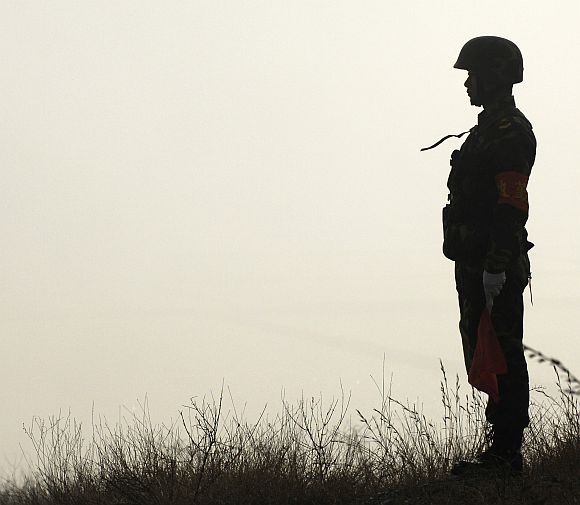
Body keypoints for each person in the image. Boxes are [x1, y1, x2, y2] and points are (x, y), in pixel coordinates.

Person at [441, 36, 537, 475]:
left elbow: (511, 202)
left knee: (502, 352)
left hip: (492, 263)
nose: (467, 84)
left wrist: (497, 265)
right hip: (476, 261)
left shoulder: (509, 131)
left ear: (495, 75)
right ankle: (498, 449)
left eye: (472, 75)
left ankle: (505, 454)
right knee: (484, 350)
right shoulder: (485, 130)